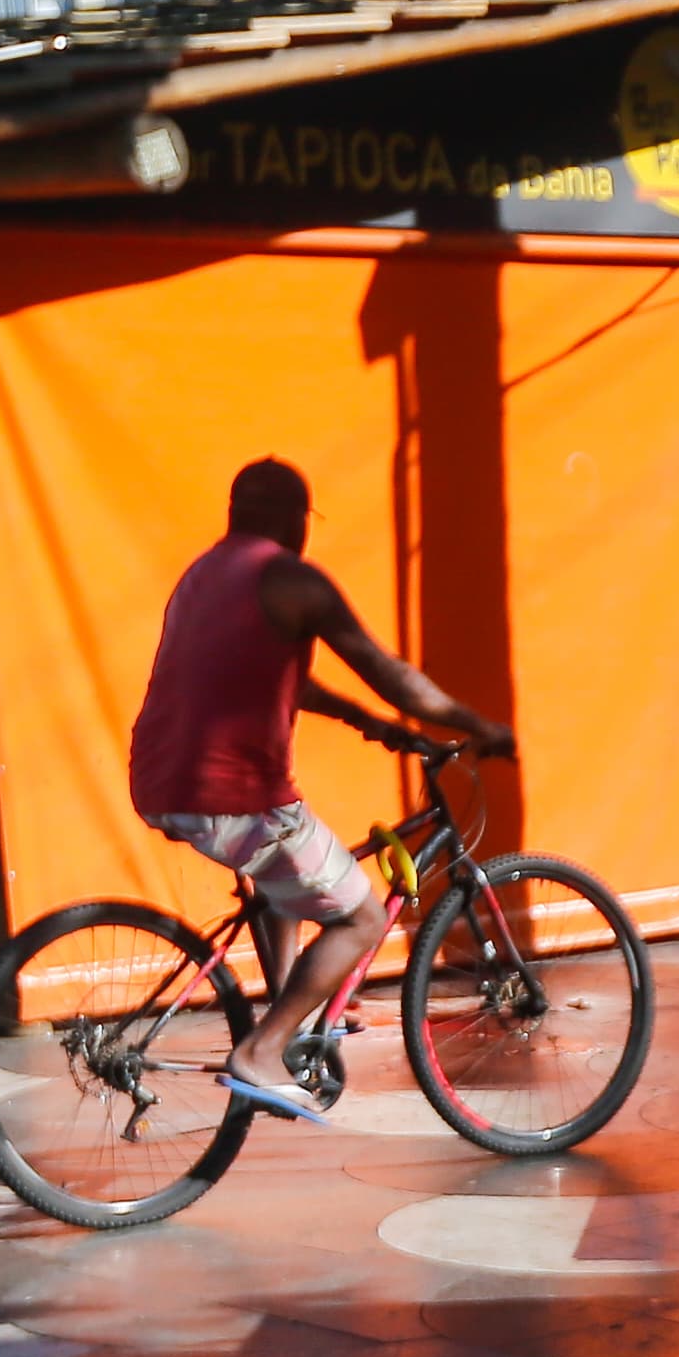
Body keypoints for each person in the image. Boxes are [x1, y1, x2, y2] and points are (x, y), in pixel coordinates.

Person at [126, 457, 515, 1122]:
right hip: (233, 793)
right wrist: (477, 725)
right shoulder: (291, 578)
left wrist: (365, 723)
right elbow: (390, 673)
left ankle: (294, 1021)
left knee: (283, 878)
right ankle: (261, 1052)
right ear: (293, 520)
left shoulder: (203, 575)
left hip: (159, 780)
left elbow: (280, 680)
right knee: (362, 916)